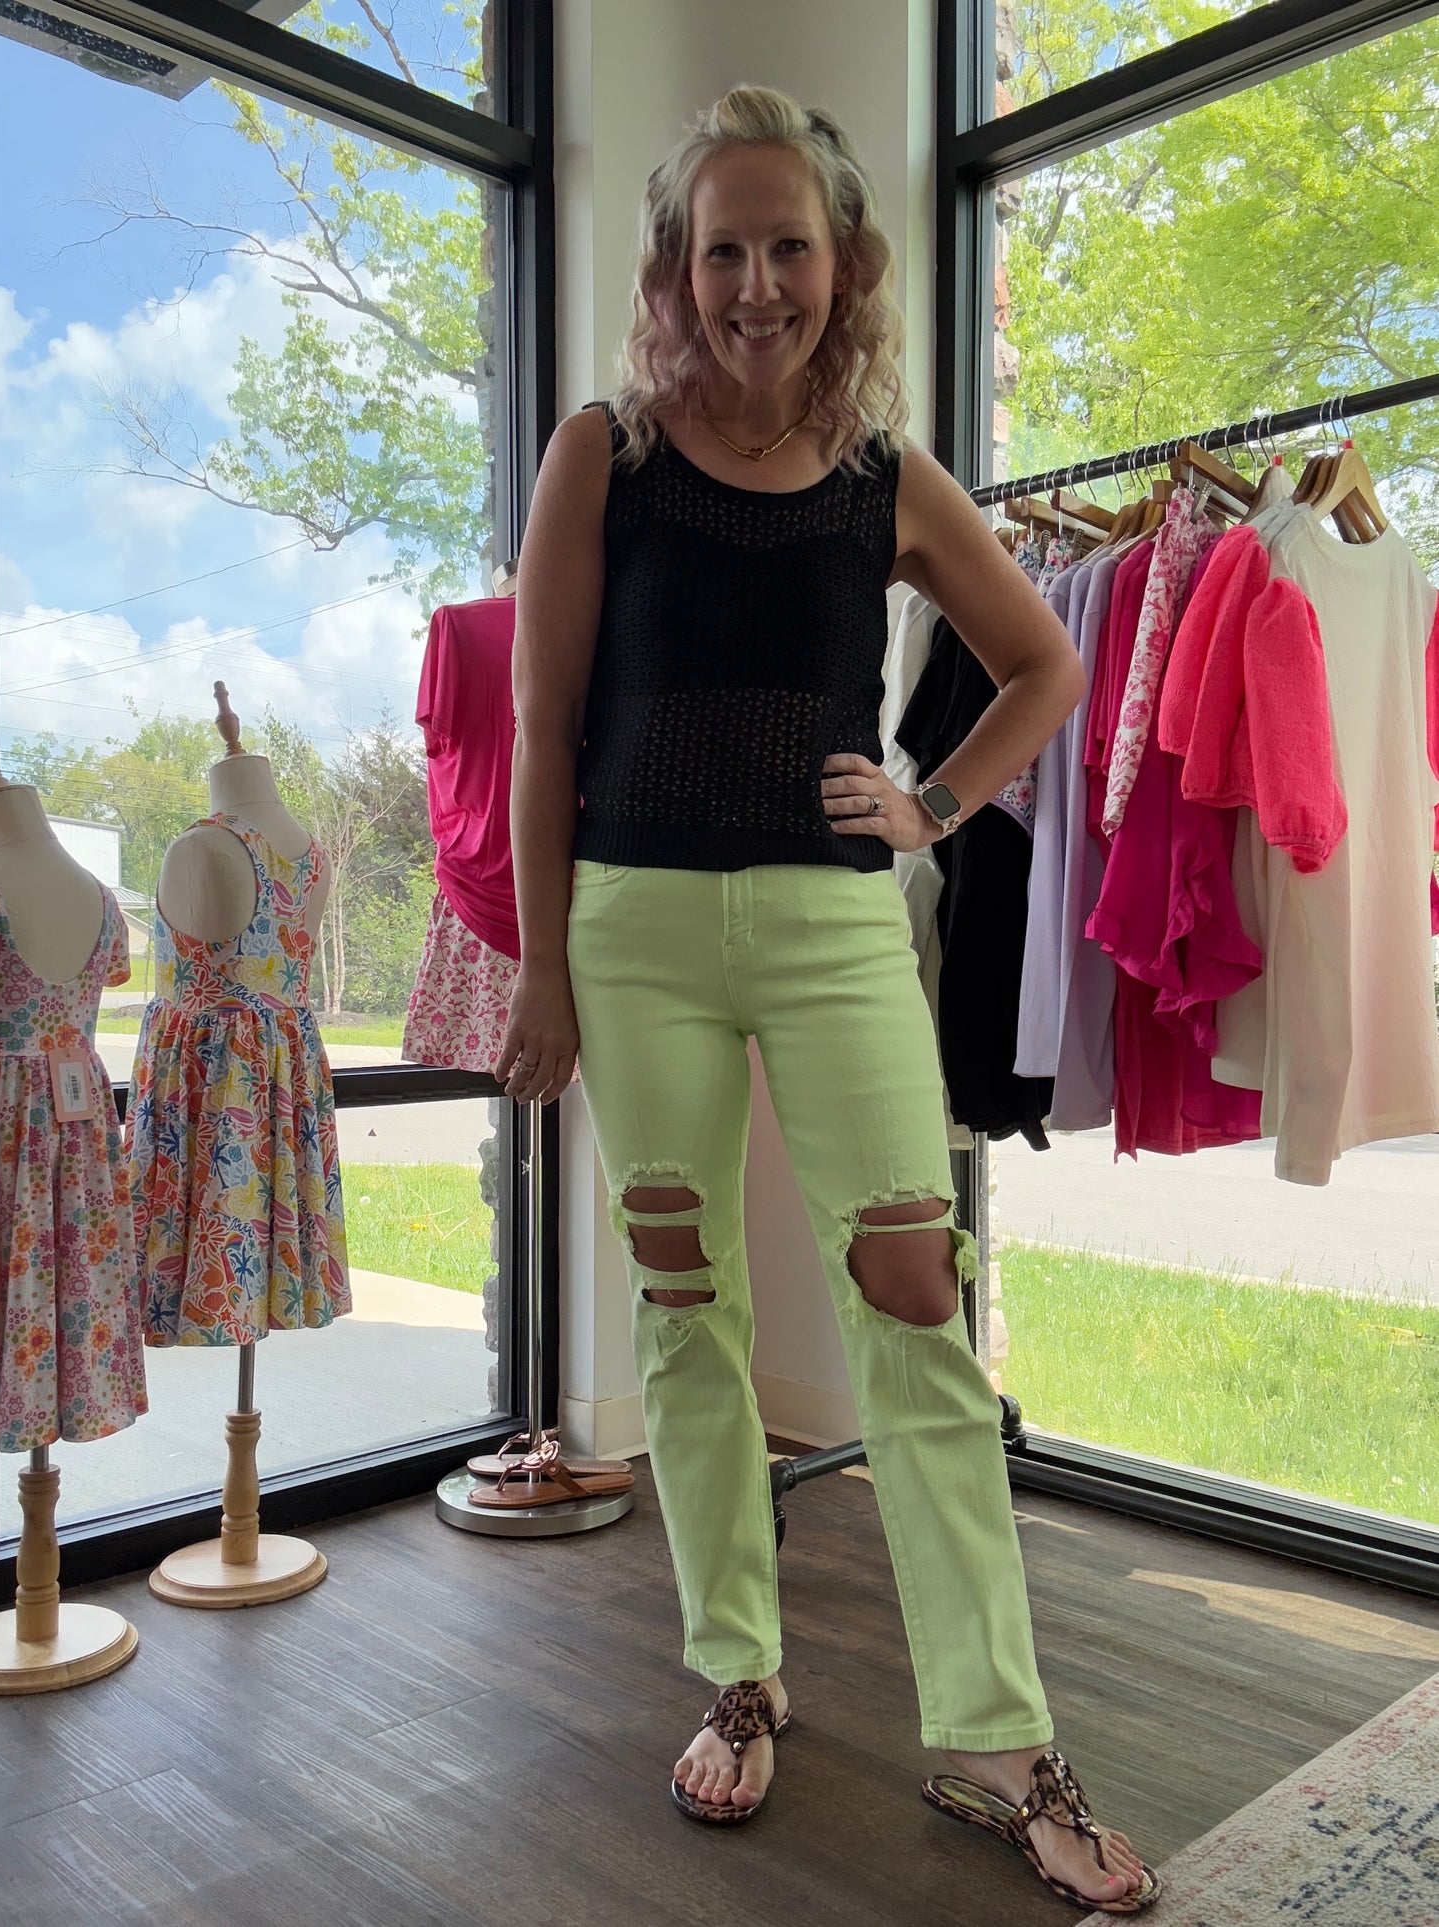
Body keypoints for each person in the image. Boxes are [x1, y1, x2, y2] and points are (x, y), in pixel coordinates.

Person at [496, 84, 1158, 1916]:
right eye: (722, 249)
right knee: (683, 1303)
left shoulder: (884, 476)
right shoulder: (602, 455)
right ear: (674, 267)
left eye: (788, 246)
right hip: (632, 929)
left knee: (915, 1299)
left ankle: (1000, 1744)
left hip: (835, 927)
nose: (756, 285)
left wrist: (930, 803)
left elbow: (1039, 665)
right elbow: (543, 729)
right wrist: (541, 964)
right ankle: (738, 1670)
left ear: (841, 262)